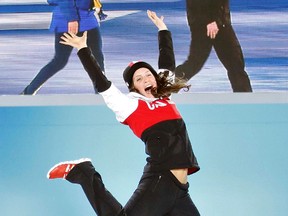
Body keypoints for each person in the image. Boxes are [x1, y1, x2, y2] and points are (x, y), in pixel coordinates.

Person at [47, 10, 201, 216]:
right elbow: (101, 83)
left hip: (180, 190)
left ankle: (83, 172)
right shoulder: (129, 105)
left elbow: (166, 63)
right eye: (139, 78)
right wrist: (83, 49)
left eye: (148, 74)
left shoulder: (165, 97)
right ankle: (83, 173)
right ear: (133, 87)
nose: (146, 79)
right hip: (160, 180)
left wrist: (163, 30)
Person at [21, 0, 105, 95]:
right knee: (60, 61)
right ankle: (28, 92)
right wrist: (72, 19)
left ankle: (102, 94)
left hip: (87, 18)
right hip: (69, 21)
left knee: (96, 60)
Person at [175, 0, 253, 92]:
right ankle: (166, 86)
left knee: (235, 64)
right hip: (207, 24)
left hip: (220, 22)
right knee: (195, 63)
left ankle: (244, 98)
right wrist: (211, 20)